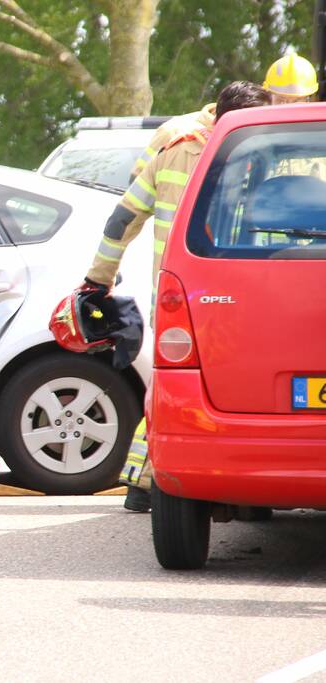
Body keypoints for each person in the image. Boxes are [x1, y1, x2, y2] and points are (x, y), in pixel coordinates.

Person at [79, 81, 272, 512]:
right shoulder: (252, 151)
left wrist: (98, 278)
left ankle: (142, 481)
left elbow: (122, 218)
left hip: (173, 292)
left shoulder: (173, 142)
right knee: (230, 388)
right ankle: (236, 491)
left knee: (175, 385)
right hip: (235, 293)